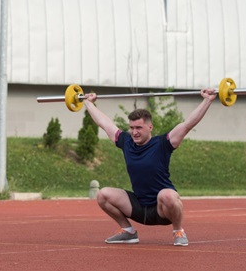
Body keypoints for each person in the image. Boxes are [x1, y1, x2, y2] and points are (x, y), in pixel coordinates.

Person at [83, 88, 217, 246]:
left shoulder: (163, 143)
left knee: (167, 195)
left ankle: (178, 231)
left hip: (163, 210)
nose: (134, 132)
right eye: (132, 128)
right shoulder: (126, 142)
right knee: (103, 195)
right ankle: (128, 232)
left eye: (139, 128)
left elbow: (188, 124)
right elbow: (104, 123)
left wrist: (207, 100)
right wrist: (88, 103)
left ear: (150, 127)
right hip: (139, 207)